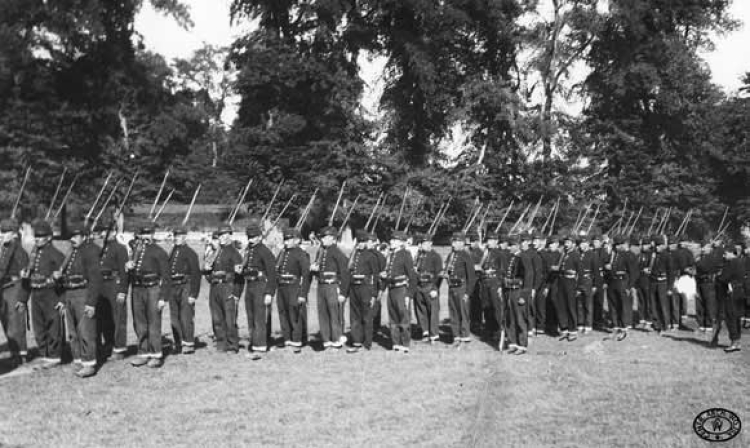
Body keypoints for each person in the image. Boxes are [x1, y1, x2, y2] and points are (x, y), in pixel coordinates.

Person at [58, 221, 103, 378]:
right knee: (73, 331)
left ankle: (89, 363)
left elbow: (96, 278)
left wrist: (91, 303)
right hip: (70, 293)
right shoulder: (71, 252)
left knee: (86, 330)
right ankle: (77, 360)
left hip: (83, 293)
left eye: (76, 236)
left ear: (84, 237)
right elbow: (66, 278)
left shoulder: (90, 251)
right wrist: (63, 298)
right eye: (71, 236)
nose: (73, 239)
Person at [21, 219, 65, 368]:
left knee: (53, 325)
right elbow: (29, 273)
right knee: (38, 325)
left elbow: (63, 278)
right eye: (36, 236)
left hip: (50, 293)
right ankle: (44, 353)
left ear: (49, 237)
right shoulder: (34, 254)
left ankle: (54, 356)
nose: (37, 239)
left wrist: (62, 299)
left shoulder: (56, 254)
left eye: (41, 236)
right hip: (36, 293)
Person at [126, 225, 171, 367]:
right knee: (139, 323)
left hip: (153, 289)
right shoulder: (135, 251)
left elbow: (166, 277)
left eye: (148, 234)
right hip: (137, 289)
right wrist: (127, 267)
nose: (145, 237)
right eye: (143, 234)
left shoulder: (159, 252)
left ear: (153, 234)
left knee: (153, 322)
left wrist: (163, 297)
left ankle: (156, 354)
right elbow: (132, 270)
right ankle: (143, 352)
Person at [311, 226, 349, 350]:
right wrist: (314, 269)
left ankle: (336, 338)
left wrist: (343, 292)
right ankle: (326, 339)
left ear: (333, 239)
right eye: (322, 237)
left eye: (327, 238)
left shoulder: (337, 253)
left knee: (334, 314)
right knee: (323, 313)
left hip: (333, 285)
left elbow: (345, 274)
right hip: (321, 285)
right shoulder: (321, 251)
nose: (323, 240)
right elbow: (319, 266)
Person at [96, 221, 129, 360]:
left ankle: (119, 348)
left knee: (118, 317)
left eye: (107, 231)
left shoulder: (120, 248)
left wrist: (122, 290)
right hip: (102, 285)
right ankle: (109, 344)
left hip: (115, 284)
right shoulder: (102, 248)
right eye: (102, 232)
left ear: (115, 232)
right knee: (105, 317)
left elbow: (124, 271)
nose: (104, 234)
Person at [167, 226, 201, 354]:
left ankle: (188, 343)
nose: (177, 238)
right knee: (174, 316)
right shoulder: (172, 252)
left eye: (179, 236)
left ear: (184, 237)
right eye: (175, 236)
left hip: (185, 285)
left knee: (185, 315)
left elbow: (196, 274)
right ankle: (178, 342)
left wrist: (193, 294)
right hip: (173, 286)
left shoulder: (190, 253)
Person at [0, 218, 29, 367]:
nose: (1, 234)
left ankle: (20, 353)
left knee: (15, 321)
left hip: (14, 286)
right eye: (1, 231)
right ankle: (14, 352)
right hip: (3, 287)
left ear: (14, 234)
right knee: (5, 320)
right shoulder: (4, 248)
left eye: (5, 232)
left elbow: (24, 272)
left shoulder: (17, 249)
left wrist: (22, 296)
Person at [275, 228, 310, 353]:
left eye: (289, 239)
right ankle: (287, 339)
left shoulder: (301, 254)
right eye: (285, 239)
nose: (286, 242)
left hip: (294, 287)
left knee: (295, 315)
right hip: (282, 286)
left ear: (297, 240)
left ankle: (297, 340)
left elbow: (306, 275)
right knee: (283, 313)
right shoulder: (283, 253)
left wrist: (303, 294)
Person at [381, 230, 416, 352]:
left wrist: (409, 294)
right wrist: (382, 288)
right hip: (391, 289)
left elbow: (412, 276)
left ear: (401, 242)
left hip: (401, 289)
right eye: (391, 240)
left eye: (394, 240)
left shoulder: (405, 254)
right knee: (393, 317)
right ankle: (395, 343)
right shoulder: (391, 255)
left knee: (403, 317)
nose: (391, 242)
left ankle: (405, 343)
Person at [346, 230, 379, 353]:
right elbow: (349, 271)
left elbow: (375, 276)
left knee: (366, 317)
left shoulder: (371, 256)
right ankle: (356, 341)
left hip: (366, 289)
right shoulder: (354, 255)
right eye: (358, 241)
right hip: (354, 288)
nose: (360, 244)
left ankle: (367, 342)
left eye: (363, 242)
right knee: (354, 316)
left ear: (367, 242)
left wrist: (374, 294)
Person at [443, 231, 477, 347]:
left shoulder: (466, 255)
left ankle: (465, 338)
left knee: (463, 313)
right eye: (453, 241)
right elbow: (447, 269)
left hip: (462, 288)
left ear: (462, 243)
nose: (454, 244)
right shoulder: (451, 255)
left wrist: (468, 293)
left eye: (457, 242)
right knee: (454, 313)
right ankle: (456, 337)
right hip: (452, 287)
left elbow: (471, 276)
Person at [504, 235, 534, 355]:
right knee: (510, 318)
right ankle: (513, 343)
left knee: (520, 318)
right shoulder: (512, 258)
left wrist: (524, 295)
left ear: (516, 246)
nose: (509, 248)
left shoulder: (523, 257)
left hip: (519, 291)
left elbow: (529, 276)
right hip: (510, 291)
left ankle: (522, 345)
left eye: (511, 245)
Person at [713, 243, 744, 352]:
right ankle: (737, 341)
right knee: (736, 317)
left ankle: (734, 341)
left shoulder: (732, 263)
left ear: (731, 253)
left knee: (730, 317)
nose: (724, 256)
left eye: (725, 253)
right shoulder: (740, 261)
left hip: (731, 293)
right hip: (739, 292)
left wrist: (717, 278)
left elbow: (725, 278)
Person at [413, 232, 443, 343]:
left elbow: (439, 274)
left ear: (431, 243)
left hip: (430, 286)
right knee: (421, 310)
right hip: (419, 286)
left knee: (433, 311)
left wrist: (435, 289)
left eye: (426, 243)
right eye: (422, 243)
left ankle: (434, 334)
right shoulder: (419, 256)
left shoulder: (436, 256)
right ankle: (424, 331)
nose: (423, 245)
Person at [477, 231, 504, 345]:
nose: (489, 242)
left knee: (496, 308)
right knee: (486, 307)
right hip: (485, 282)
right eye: (488, 240)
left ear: (496, 241)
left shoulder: (500, 253)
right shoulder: (485, 253)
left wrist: (500, 285)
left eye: (492, 240)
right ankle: (490, 329)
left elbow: (503, 271)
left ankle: (498, 330)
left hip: (494, 282)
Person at [555, 233, 581, 341]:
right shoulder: (563, 254)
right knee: (562, 306)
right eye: (565, 242)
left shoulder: (575, 255)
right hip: (562, 281)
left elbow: (580, 272)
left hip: (571, 282)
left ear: (573, 244)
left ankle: (573, 331)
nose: (566, 244)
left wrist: (579, 287)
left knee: (571, 307)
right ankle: (564, 329)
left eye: (568, 242)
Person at [577, 235, 600, 334]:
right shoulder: (578, 254)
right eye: (580, 243)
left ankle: (588, 325)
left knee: (588, 304)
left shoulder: (592, 254)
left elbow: (596, 271)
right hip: (579, 281)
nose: (581, 245)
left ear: (587, 244)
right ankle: (580, 323)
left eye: (583, 243)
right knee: (579, 304)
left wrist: (595, 285)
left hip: (588, 280)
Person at [695, 239, 719, 332]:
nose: (703, 249)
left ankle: (708, 325)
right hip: (699, 281)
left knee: (709, 304)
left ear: (709, 248)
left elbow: (703, 267)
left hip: (708, 282)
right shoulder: (700, 257)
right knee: (699, 304)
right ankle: (701, 324)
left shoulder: (712, 258)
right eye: (702, 247)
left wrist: (697, 262)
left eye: (705, 247)